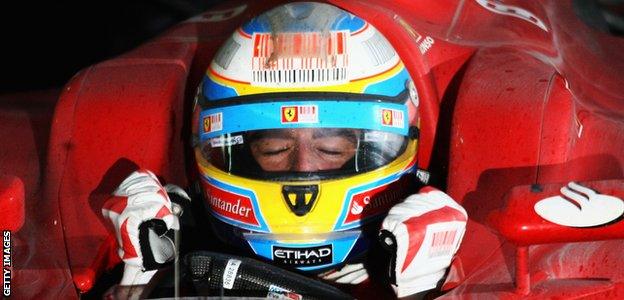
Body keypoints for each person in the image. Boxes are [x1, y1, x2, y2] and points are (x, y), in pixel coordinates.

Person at [102, 2, 468, 299]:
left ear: (375, 148)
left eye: (330, 148)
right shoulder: (166, 236)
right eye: (275, 148)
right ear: (238, 150)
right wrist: (139, 280)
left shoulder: (430, 257)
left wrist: (427, 292)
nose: (303, 166)